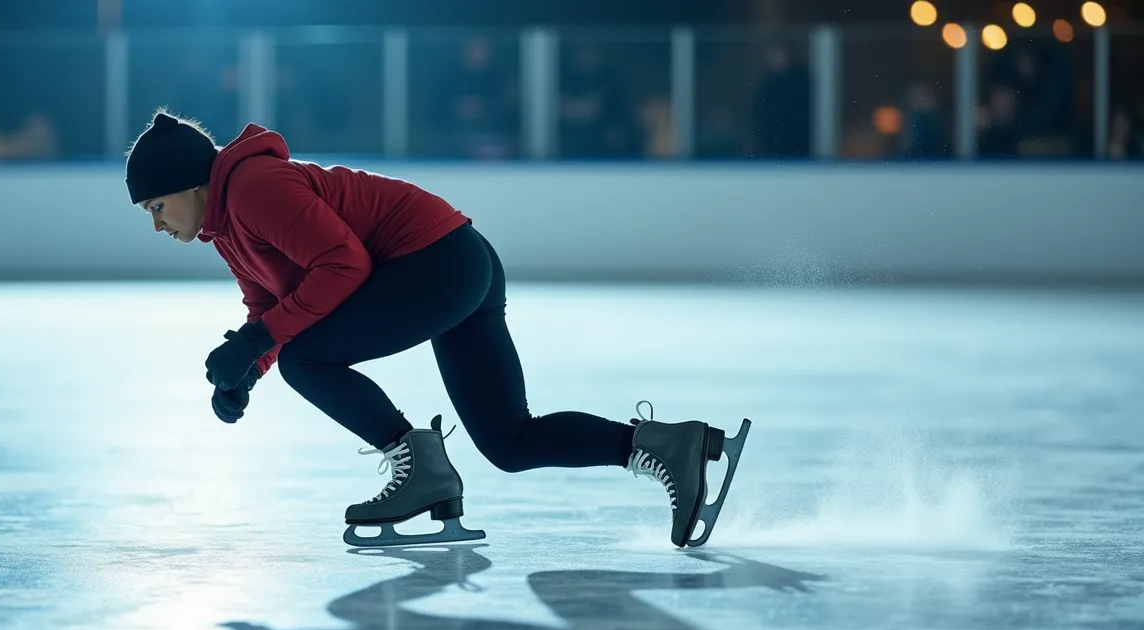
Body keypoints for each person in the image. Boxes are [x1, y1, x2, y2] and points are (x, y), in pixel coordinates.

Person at [123, 110, 749, 548]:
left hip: (436, 263)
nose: (156, 225)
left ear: (191, 184)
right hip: (458, 262)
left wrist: (261, 347)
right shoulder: (227, 227)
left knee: (306, 359)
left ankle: (417, 466)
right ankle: (666, 445)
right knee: (509, 441)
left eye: (156, 207)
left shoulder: (256, 187)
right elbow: (273, 310)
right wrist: (246, 372)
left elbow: (344, 265)